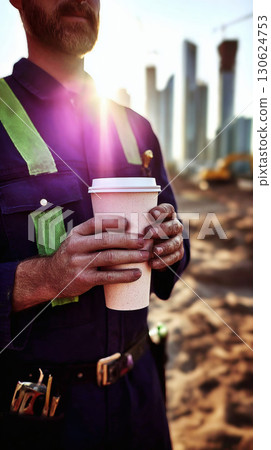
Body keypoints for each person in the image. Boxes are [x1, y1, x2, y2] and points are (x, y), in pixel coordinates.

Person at [0, 1, 190, 449]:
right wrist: (40, 279)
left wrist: (171, 248)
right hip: (36, 422)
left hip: (141, 402)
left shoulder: (137, 129)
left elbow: (177, 247)